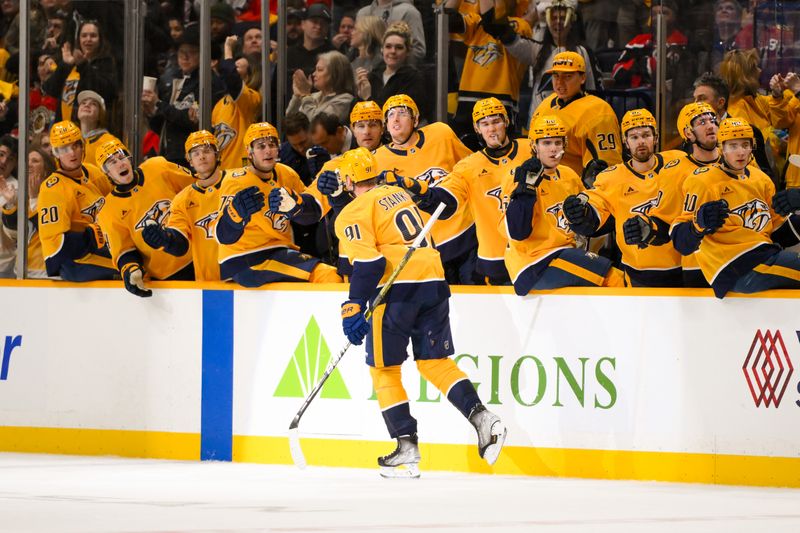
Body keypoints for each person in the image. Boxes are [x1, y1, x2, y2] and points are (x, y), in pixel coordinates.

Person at [334, 147, 506, 478]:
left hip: (398, 289)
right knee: (434, 362)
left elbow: (370, 264)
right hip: (434, 280)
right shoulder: (397, 193)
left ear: (348, 180)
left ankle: (406, 447)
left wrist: (353, 305)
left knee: (384, 370)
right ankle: (482, 418)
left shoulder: (352, 212)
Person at [391, 97, 533, 284]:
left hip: (533, 252)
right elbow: (445, 202)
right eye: (485, 123)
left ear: (506, 122)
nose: (491, 129)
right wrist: (423, 193)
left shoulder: (530, 149)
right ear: (477, 128)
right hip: (494, 259)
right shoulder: (468, 166)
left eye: (496, 121)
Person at [671, 118, 800, 298]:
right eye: (733, 146)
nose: (740, 152)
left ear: (752, 147)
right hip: (734, 266)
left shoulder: (760, 179)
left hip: (763, 256)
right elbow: (680, 240)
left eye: (745, 145)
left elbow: (779, 231)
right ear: (721, 147)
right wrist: (698, 225)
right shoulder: (702, 181)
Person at [503, 115, 625, 293]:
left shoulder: (569, 175)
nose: (553, 149)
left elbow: (589, 226)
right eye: (546, 143)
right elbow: (517, 233)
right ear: (534, 146)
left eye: (558, 143)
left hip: (564, 254)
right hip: (534, 263)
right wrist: (525, 190)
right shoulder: (517, 176)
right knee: (613, 279)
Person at [562, 109, 684, 287]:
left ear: (656, 137)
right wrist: (580, 212)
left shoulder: (678, 163)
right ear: (625, 142)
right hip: (638, 272)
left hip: (682, 267)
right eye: (634, 137)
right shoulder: (612, 177)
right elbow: (594, 206)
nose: (641, 141)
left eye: (646, 135)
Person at [215, 122, 342, 287]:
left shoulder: (286, 174)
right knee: (327, 275)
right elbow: (221, 236)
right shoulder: (235, 181)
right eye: (261, 146)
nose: (268, 150)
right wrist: (234, 215)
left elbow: (312, 215)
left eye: (272, 145)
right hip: (244, 258)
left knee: (330, 272)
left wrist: (297, 207)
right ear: (249, 151)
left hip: (278, 252)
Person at [373, 94, 476, 284]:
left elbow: (472, 168)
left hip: (467, 236)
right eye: (390, 115)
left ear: (416, 119)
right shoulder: (377, 160)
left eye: (402, 113)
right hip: (428, 251)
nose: (395, 119)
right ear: (385, 124)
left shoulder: (440, 133)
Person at [270, 101, 386, 268]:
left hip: (393, 249)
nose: (366, 131)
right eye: (360, 126)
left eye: (373, 125)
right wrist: (294, 204)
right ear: (352, 129)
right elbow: (314, 206)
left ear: (383, 127)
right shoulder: (335, 166)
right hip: (353, 254)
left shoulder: (399, 154)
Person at [95, 139, 195, 297]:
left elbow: (194, 187)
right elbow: (124, 251)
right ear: (106, 172)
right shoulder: (108, 210)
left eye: (121, 158)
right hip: (166, 279)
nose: (120, 164)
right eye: (112, 162)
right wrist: (131, 270)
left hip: (199, 259)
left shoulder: (157, 167)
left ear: (129, 158)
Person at [141, 131, 227, 282]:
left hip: (242, 277)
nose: (202, 156)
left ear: (217, 155)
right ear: (190, 161)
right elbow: (180, 243)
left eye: (207, 151)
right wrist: (165, 240)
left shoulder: (237, 182)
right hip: (207, 281)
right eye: (195, 153)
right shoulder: (182, 199)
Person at [36, 121, 116, 281]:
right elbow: (54, 248)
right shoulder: (53, 189)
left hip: (108, 245)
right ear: (55, 153)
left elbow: (117, 204)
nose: (72, 153)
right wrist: (90, 237)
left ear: (83, 146)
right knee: (131, 270)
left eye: (76, 145)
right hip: (78, 260)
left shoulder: (92, 171)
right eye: (64, 149)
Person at [503, 0, 601, 128]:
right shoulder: (536, 50)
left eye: (563, 18)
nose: (558, 22)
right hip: (540, 122)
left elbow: (593, 90)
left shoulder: (582, 52)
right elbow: (509, 39)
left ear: (572, 21)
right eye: (553, 18)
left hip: (574, 122)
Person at [530, 51, 622, 187]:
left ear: (583, 78)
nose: (559, 83)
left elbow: (608, 169)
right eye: (556, 76)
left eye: (567, 76)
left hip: (574, 192)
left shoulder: (598, 112)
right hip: (542, 186)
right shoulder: (545, 104)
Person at [443, 0, 533, 137]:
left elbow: (493, 23)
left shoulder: (519, 25)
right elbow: (446, 19)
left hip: (502, 102)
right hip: (468, 101)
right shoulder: (476, 20)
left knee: (498, 152)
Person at [142, 22, 226, 166]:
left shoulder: (209, 82)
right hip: (170, 154)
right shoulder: (173, 81)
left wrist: (159, 104)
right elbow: (165, 125)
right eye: (182, 52)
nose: (185, 57)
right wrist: (152, 111)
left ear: (203, 54)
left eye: (192, 52)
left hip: (194, 157)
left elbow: (193, 121)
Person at [42, 19, 117, 124]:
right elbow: (50, 90)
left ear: (100, 39)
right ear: (78, 39)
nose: (88, 39)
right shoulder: (71, 61)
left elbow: (106, 91)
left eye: (93, 35)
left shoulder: (106, 62)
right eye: (84, 35)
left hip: (91, 126)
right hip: (63, 129)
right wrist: (65, 65)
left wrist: (83, 65)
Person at [355, 22, 427, 121]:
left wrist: (367, 97)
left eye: (399, 47)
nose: (393, 51)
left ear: (408, 51)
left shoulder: (414, 79)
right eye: (388, 46)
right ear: (382, 49)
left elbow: (393, 118)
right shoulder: (373, 76)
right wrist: (359, 95)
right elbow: (354, 114)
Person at [0, 146, 54, 278]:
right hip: (21, 272)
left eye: (35, 161)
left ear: (46, 170)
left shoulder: (55, 193)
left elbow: (45, 229)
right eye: (27, 160)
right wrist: (10, 203)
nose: (29, 164)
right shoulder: (21, 195)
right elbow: (13, 234)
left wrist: (35, 197)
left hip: (45, 273)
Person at [287, 50, 356, 124]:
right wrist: (297, 96)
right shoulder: (314, 96)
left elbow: (317, 124)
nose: (313, 74)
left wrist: (305, 95)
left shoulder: (344, 100)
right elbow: (289, 121)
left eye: (319, 70)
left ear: (335, 74)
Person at [356, 0, 427, 62]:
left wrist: (394, 67)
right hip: (363, 72)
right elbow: (357, 46)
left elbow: (418, 50)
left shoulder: (409, 12)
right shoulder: (363, 13)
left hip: (397, 74)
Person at [76, 90, 122, 168]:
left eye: (93, 104)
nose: (87, 105)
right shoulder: (71, 141)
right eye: (83, 103)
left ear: (100, 115)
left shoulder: (109, 141)